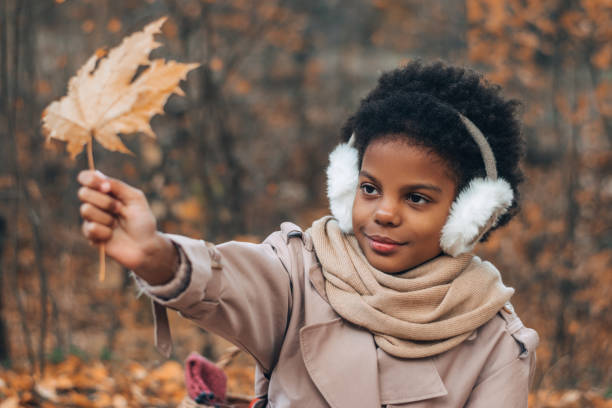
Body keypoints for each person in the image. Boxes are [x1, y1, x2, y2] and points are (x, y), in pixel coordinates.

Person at [77, 61, 539, 407]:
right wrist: (156, 255)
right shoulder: (302, 271)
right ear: (345, 186)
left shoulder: (496, 343)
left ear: (471, 215)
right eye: (370, 188)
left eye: (417, 198)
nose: (384, 213)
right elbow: (228, 279)